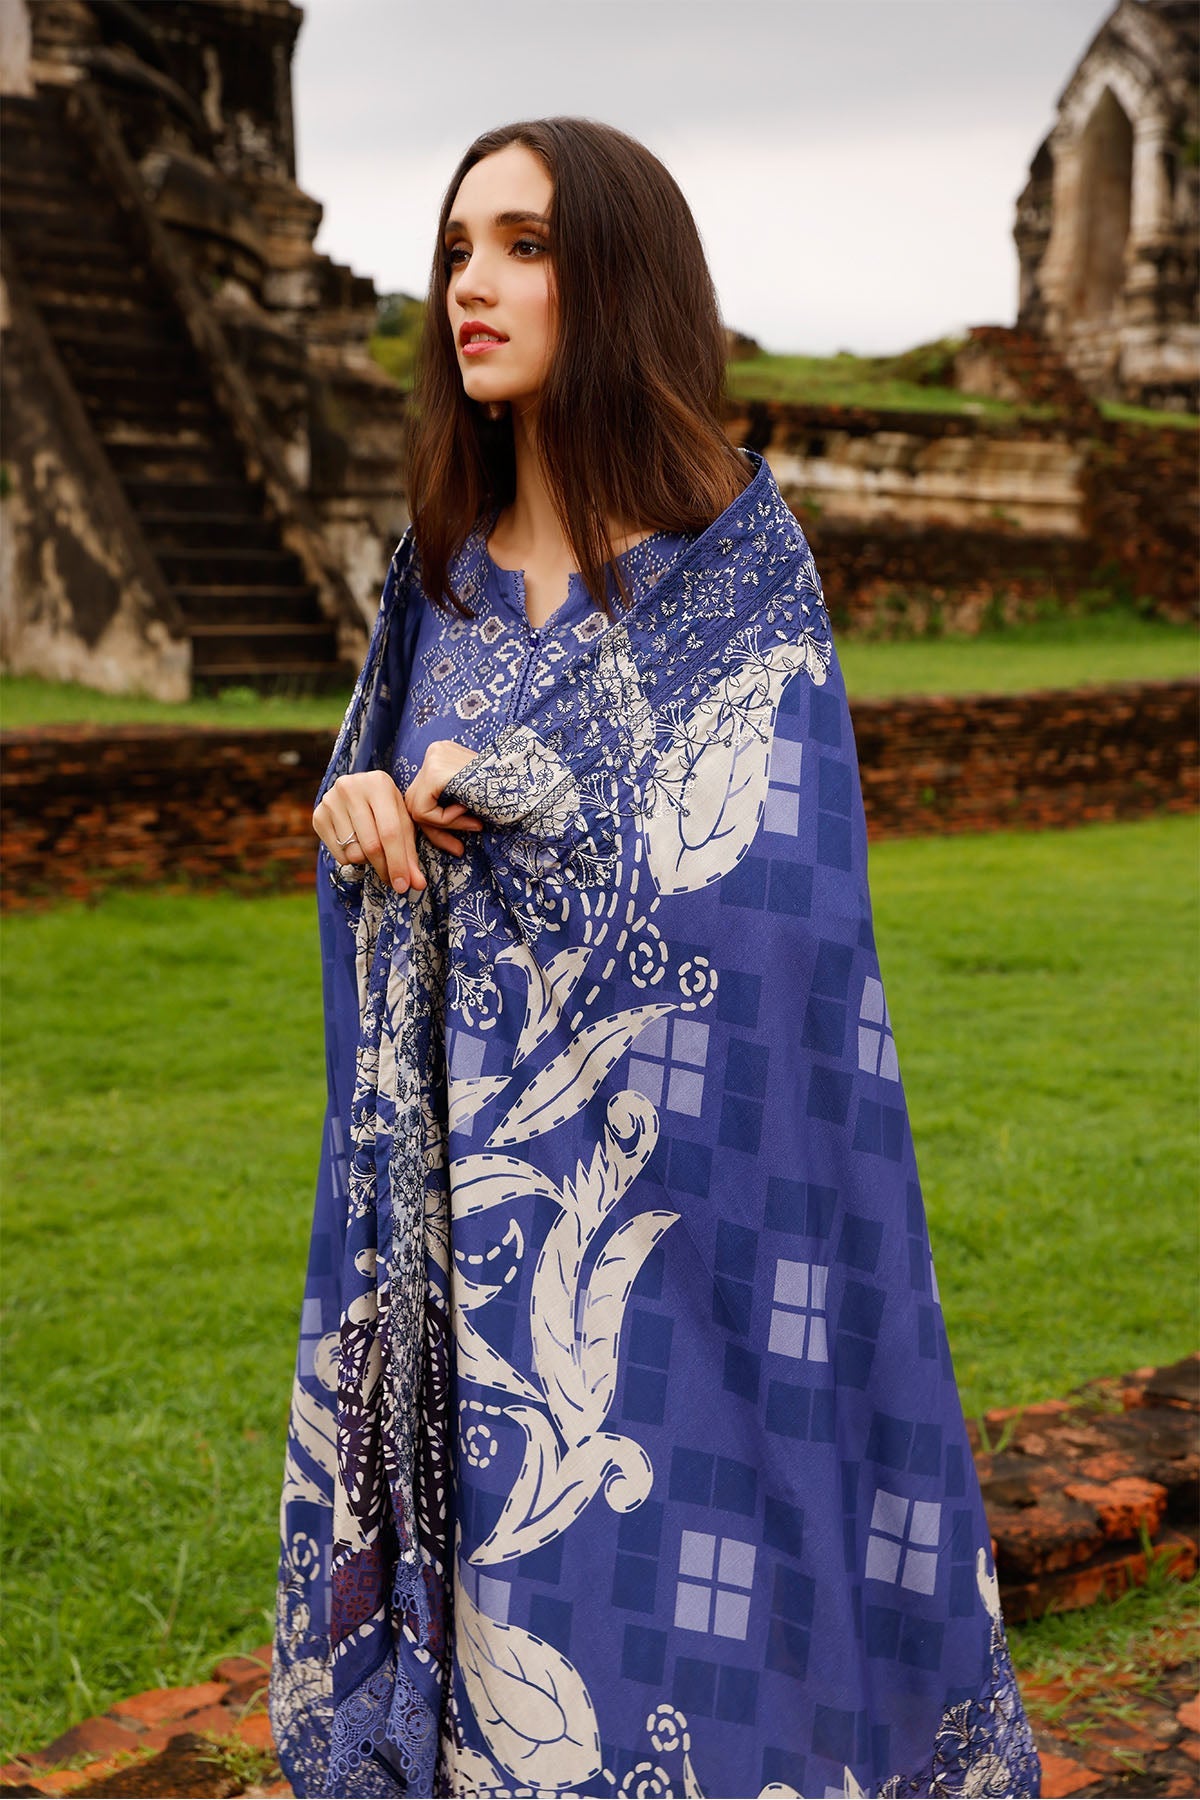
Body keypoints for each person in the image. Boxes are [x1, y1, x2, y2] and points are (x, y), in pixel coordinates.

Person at [268, 118, 1041, 1800]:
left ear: (617, 277)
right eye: (457, 248)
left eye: (525, 244)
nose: (471, 284)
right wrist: (367, 824)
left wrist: (537, 807)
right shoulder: (437, 585)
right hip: (479, 1243)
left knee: (709, 1636)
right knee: (517, 1672)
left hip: (692, 1229)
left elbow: (781, 911)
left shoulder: (731, 582)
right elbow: (386, 853)